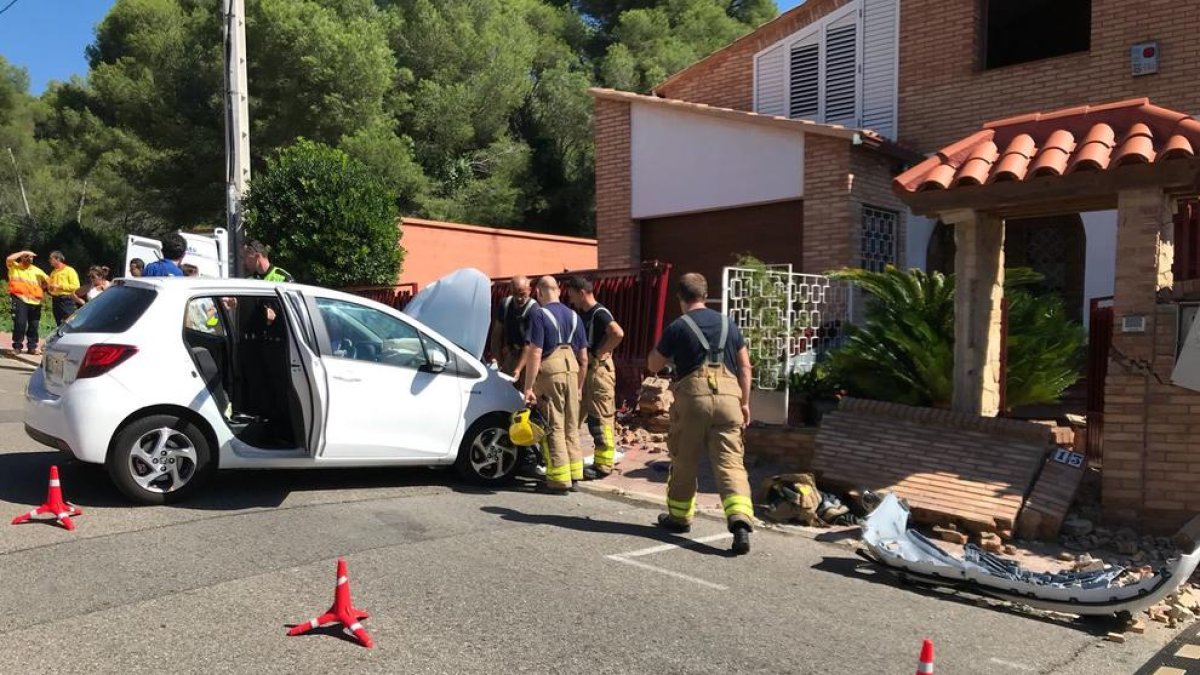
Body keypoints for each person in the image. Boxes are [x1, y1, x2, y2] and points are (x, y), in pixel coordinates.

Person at [647, 272, 755, 556]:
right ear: (706, 294)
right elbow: (745, 367)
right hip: (730, 398)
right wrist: (745, 402)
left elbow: (653, 364)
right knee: (731, 464)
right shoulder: (728, 323)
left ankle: (679, 518)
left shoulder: (678, 326)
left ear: (680, 298)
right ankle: (740, 521)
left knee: (684, 460)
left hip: (694, 400)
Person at [522, 276, 588, 494]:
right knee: (571, 424)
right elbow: (584, 357)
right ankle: (575, 474)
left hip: (552, 372)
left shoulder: (539, 314)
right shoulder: (575, 316)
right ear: (558, 290)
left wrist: (528, 386)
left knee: (554, 424)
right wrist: (579, 386)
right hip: (572, 370)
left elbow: (535, 351)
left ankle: (559, 480)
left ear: (539, 293)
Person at [564, 276, 625, 481]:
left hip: (598, 370)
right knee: (578, 413)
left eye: (572, 295)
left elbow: (617, 333)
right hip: (588, 369)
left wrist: (600, 353)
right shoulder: (585, 314)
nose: (571, 300)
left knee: (600, 418)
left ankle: (603, 465)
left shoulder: (599, 313)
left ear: (582, 293)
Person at [490, 276, 537, 379]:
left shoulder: (534, 310)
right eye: (515, 294)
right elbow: (496, 334)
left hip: (527, 359)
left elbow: (528, 344)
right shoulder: (505, 304)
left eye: (522, 294)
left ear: (529, 290)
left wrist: (518, 369)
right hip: (510, 355)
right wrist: (499, 360)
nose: (519, 298)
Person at [5, 249, 48, 355]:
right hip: (20, 298)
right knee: (20, 323)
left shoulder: (37, 270)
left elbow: (48, 281)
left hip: (35, 301)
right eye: (27, 257)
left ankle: (32, 347)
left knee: (34, 325)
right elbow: (9, 258)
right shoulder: (14, 267)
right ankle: (17, 347)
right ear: (21, 257)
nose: (30, 258)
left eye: (31, 257)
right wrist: (23, 252)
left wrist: (43, 288)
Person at [46, 251, 81, 326]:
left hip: (66, 300)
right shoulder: (53, 272)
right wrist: (50, 288)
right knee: (59, 323)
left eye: (51, 259)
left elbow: (76, 286)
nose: (49, 261)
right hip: (55, 300)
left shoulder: (69, 270)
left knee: (70, 322)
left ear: (57, 259)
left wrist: (60, 286)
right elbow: (52, 288)